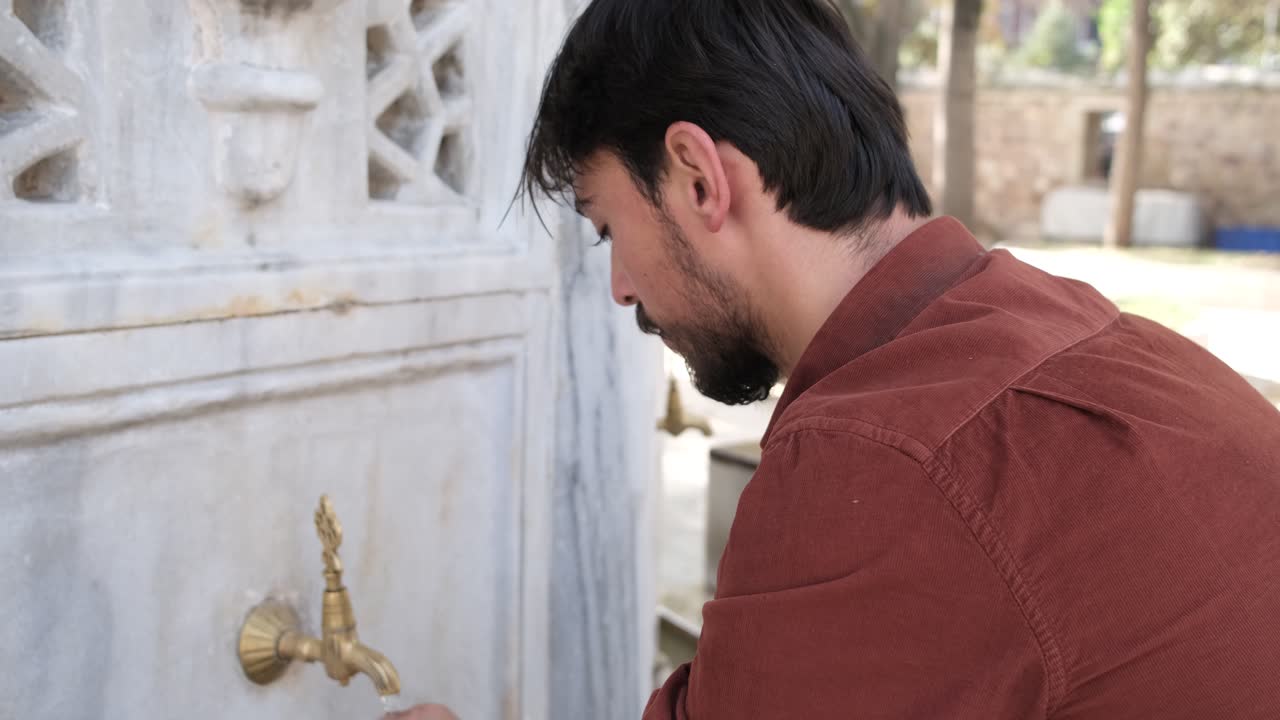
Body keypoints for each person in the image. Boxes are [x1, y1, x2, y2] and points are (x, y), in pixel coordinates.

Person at [395, 1, 1280, 718]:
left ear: (698, 177)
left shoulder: (880, 458)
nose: (622, 287)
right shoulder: (1100, 336)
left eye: (607, 231)